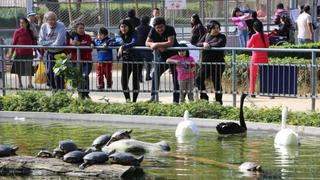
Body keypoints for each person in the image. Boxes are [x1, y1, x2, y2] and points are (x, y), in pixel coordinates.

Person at [146, 17, 180, 103]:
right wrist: (152, 44)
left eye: (161, 27)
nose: (159, 29)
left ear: (164, 25)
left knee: (176, 78)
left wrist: (157, 44)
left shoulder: (170, 29)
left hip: (174, 56)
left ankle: (176, 101)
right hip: (162, 57)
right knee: (155, 74)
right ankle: (154, 96)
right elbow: (147, 42)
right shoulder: (152, 30)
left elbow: (170, 42)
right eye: (157, 28)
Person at [196, 20, 226, 105]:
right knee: (198, 79)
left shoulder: (222, 36)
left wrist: (208, 45)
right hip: (205, 63)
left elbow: (219, 44)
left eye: (217, 28)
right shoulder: (206, 35)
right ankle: (204, 98)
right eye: (213, 28)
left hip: (218, 64)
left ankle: (218, 102)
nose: (216, 30)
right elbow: (197, 43)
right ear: (209, 29)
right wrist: (203, 44)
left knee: (216, 82)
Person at [39, 11, 66, 90]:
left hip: (60, 53)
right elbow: (41, 42)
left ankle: (61, 91)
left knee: (58, 74)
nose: (53, 21)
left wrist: (47, 44)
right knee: (48, 73)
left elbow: (59, 43)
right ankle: (54, 90)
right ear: (46, 20)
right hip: (49, 53)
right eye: (50, 20)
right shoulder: (44, 26)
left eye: (54, 19)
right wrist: (52, 43)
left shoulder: (61, 25)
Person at [117, 19, 142, 102]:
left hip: (137, 60)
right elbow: (113, 41)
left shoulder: (134, 33)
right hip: (126, 60)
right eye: (121, 26)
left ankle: (134, 101)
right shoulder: (120, 35)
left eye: (125, 26)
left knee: (135, 82)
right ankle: (128, 100)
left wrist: (123, 47)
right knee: (123, 82)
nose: (123, 28)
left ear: (129, 27)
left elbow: (134, 42)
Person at [8, 18, 36, 89]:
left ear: (26, 24)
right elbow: (14, 43)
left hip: (29, 53)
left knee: (29, 69)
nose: (21, 24)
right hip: (19, 53)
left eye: (23, 23)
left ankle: (30, 84)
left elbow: (34, 42)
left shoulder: (30, 32)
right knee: (18, 69)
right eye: (20, 23)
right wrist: (11, 53)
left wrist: (35, 51)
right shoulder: (17, 32)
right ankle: (20, 83)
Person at [69, 22, 92, 99]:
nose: (82, 30)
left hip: (87, 61)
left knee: (84, 75)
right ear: (76, 29)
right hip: (76, 61)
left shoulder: (88, 37)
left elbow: (89, 48)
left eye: (83, 28)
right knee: (77, 77)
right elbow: (71, 47)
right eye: (80, 28)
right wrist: (75, 43)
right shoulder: (73, 38)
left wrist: (79, 45)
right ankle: (80, 93)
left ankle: (86, 92)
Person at [247, 21, 269, 97]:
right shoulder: (265, 35)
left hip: (255, 58)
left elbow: (248, 46)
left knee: (253, 76)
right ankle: (266, 92)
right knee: (265, 75)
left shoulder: (254, 36)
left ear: (254, 28)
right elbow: (267, 46)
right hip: (264, 57)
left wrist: (249, 42)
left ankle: (252, 92)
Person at [135, 15, 153, 81]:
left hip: (139, 48)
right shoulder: (150, 28)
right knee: (148, 62)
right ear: (148, 21)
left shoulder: (137, 28)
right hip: (147, 47)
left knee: (140, 63)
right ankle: (147, 76)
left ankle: (140, 77)